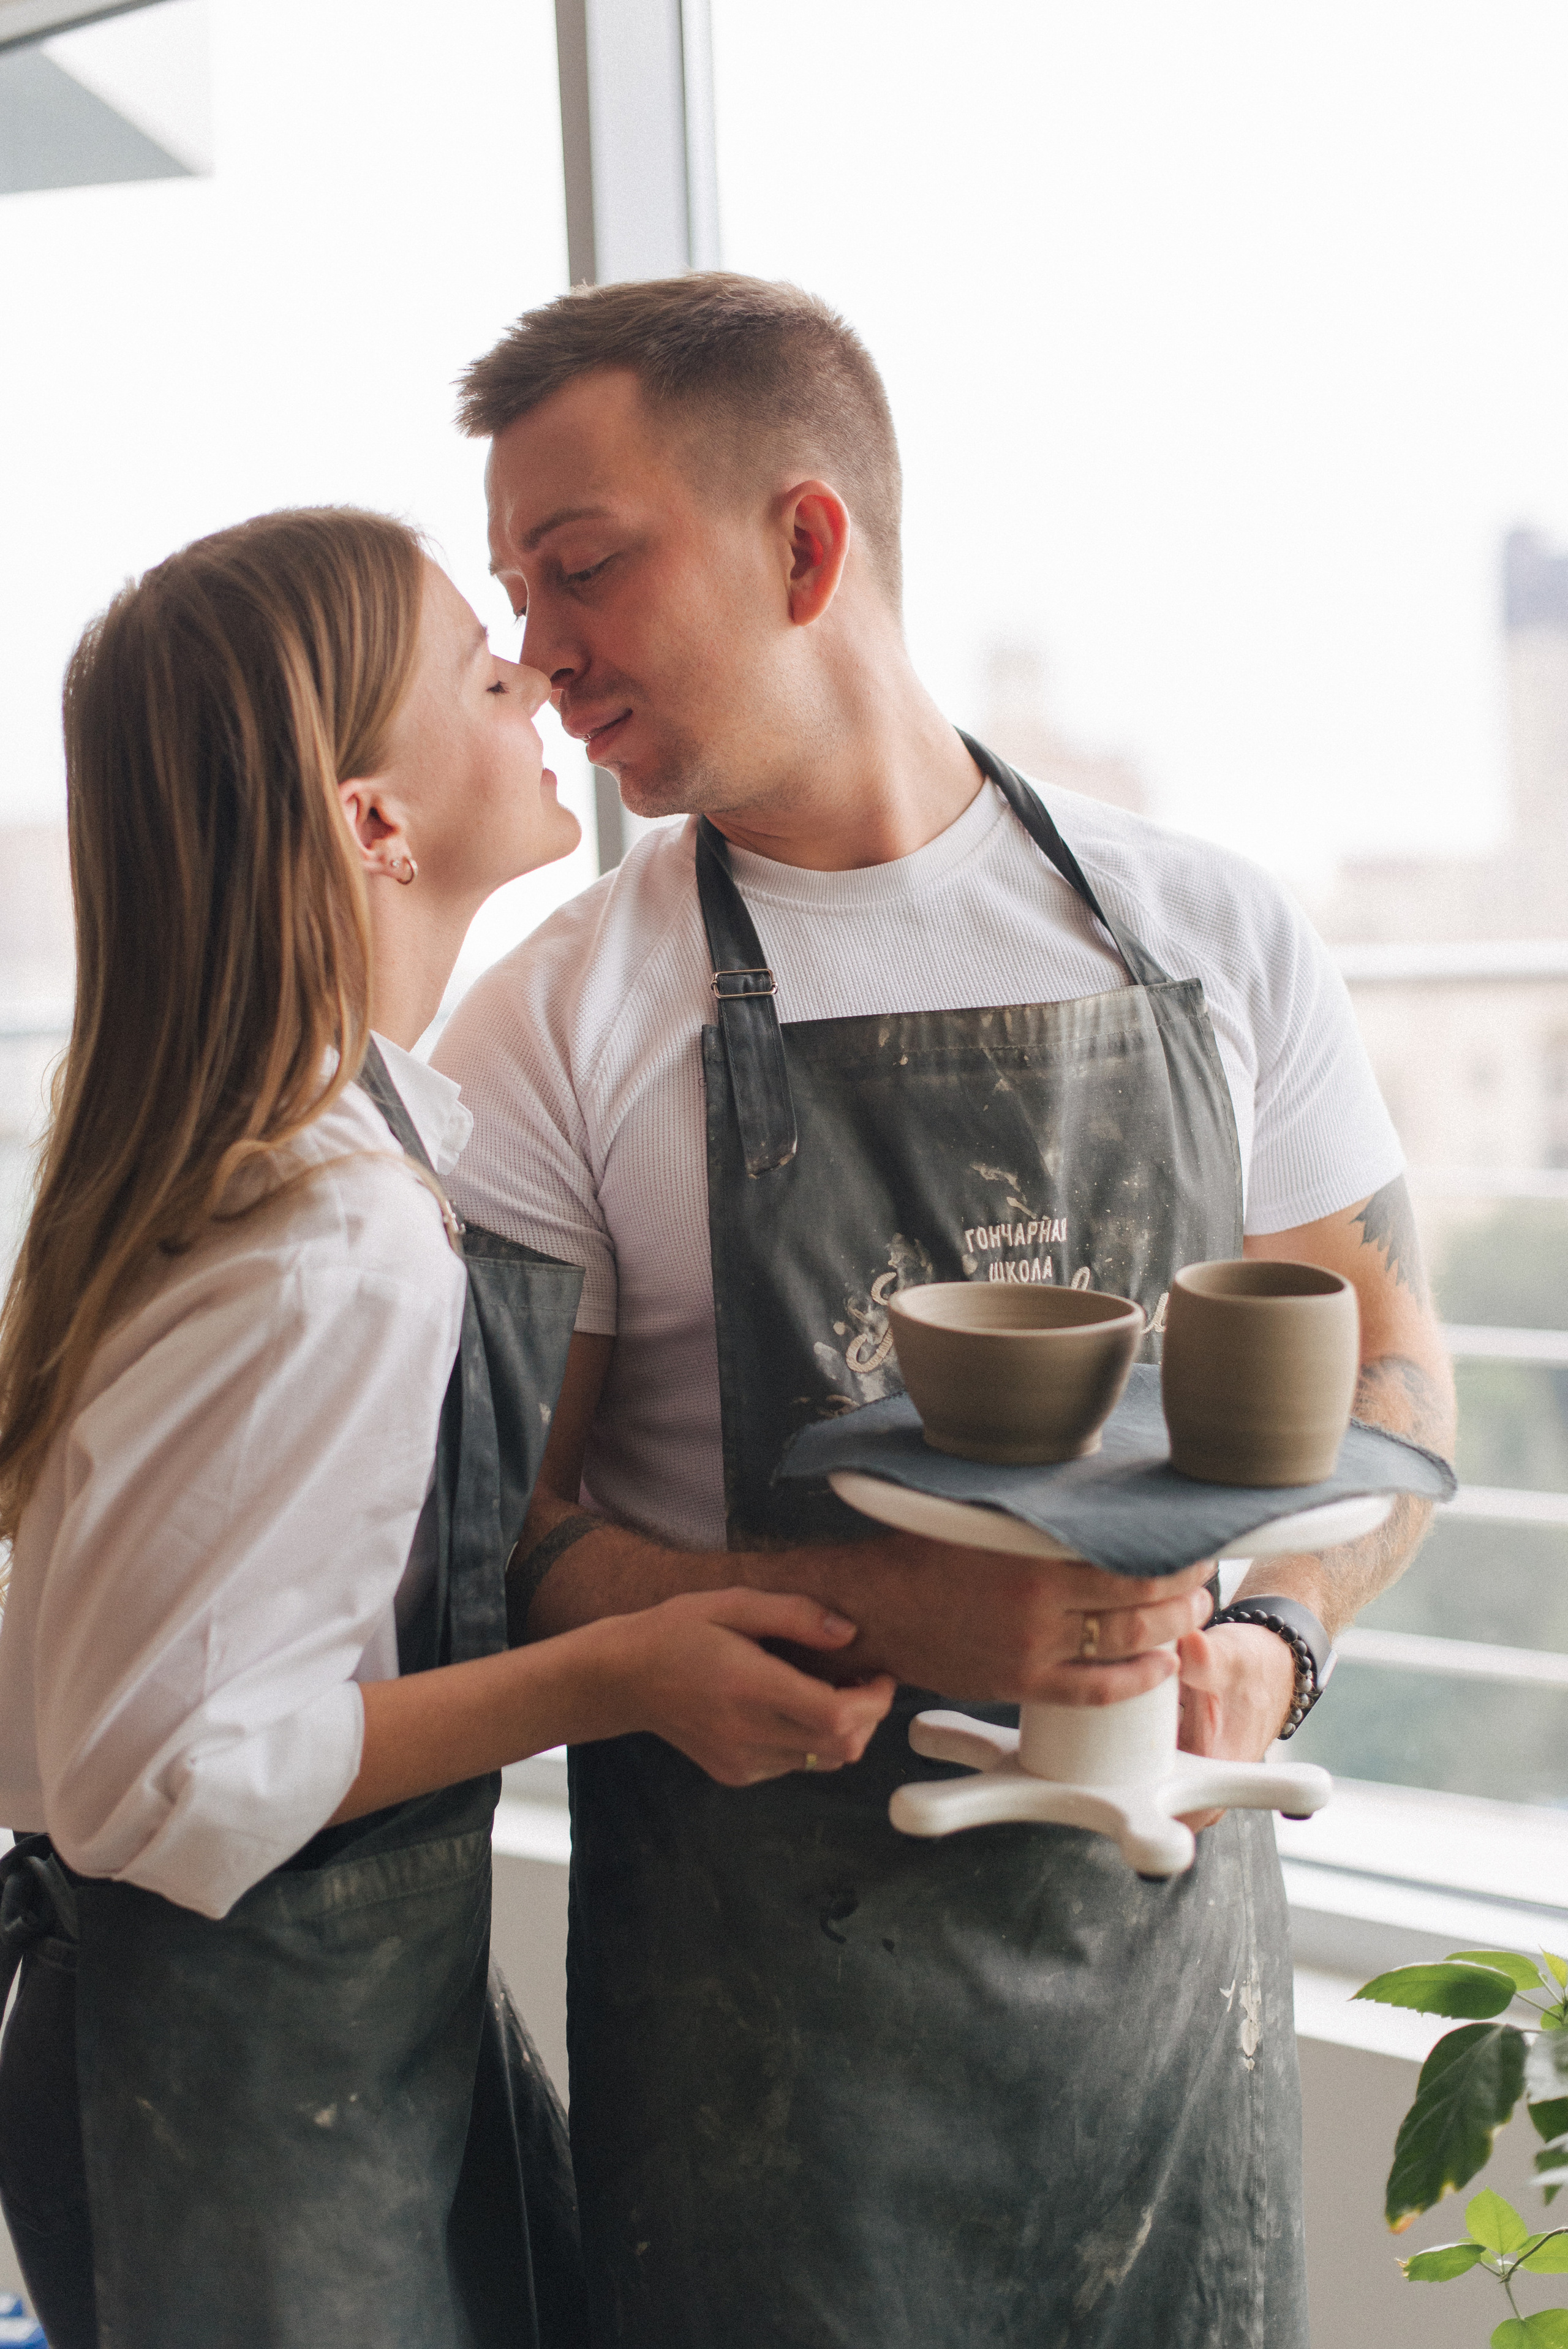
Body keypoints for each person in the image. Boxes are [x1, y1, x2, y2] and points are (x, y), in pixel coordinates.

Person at [434, 275, 1457, 2349]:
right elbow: (498, 1549)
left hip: (1168, 2047)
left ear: (806, 544)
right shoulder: (555, 1021)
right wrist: (910, 1618)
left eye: (583, 568)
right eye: (512, 591)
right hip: (765, 2087)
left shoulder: (1211, 936)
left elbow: (1408, 1385)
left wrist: (1265, 1641)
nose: (537, 656)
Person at [0, 505, 895, 2349]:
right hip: (238, 2098)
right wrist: (621, 1672)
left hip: (288, 2040)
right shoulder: (333, 1238)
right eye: (490, 677)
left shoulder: (289, 1169)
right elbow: (156, 1780)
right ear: (374, 826)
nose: (545, 683)